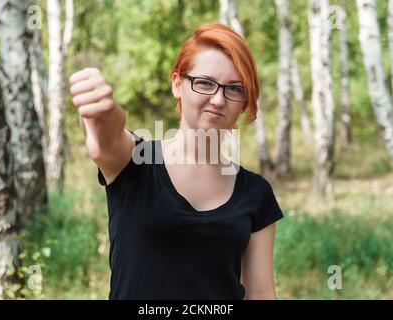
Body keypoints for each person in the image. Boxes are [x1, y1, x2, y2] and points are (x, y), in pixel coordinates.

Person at [69, 22, 284, 300]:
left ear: (244, 102)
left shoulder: (256, 193)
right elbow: (104, 142)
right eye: (205, 83)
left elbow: (261, 294)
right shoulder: (136, 162)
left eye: (234, 88)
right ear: (177, 85)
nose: (218, 99)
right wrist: (105, 111)